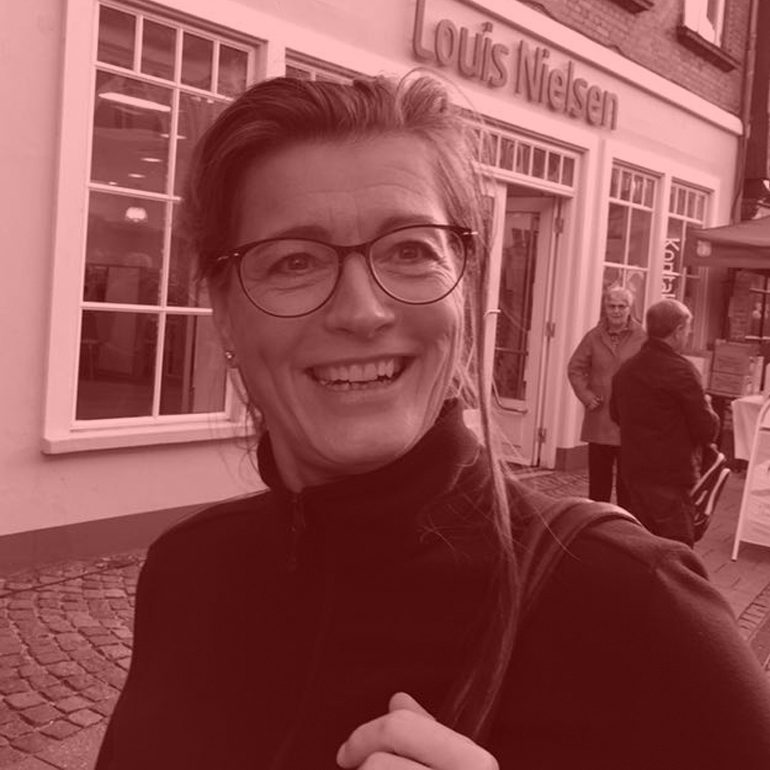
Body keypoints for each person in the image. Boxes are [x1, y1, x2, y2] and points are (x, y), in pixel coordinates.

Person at [95, 75, 770, 770]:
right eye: (294, 261)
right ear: (223, 311)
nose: (362, 312)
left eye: (411, 250)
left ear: (465, 287)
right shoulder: (187, 573)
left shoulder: (637, 604)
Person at [610, 299, 720, 547]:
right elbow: (706, 430)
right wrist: (709, 407)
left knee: (639, 546)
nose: (688, 335)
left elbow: (616, 415)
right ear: (678, 330)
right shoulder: (682, 371)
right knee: (676, 549)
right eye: (688, 329)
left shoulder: (626, 370)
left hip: (633, 473)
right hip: (670, 476)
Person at [567, 285, 645, 508]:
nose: (616, 311)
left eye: (622, 306)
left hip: (629, 422)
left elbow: (651, 374)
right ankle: (598, 522)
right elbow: (575, 368)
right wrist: (586, 395)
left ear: (630, 308)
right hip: (600, 418)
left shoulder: (643, 337)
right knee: (598, 486)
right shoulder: (593, 337)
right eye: (612, 306)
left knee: (627, 485)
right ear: (605, 307)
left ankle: (624, 523)